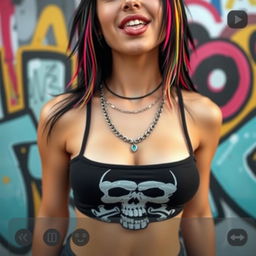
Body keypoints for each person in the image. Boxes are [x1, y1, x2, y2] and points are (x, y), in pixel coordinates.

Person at [32, 0, 222, 255]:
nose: (131, 2)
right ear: (96, 23)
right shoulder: (61, 116)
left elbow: (197, 215)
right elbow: (52, 215)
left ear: (170, 11)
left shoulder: (203, 115)